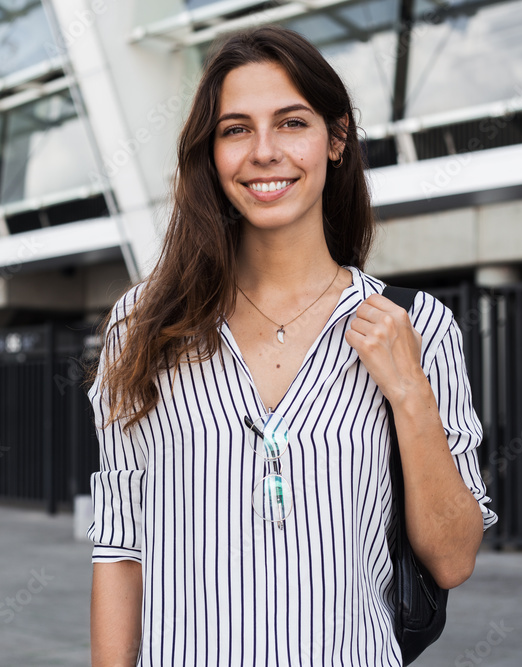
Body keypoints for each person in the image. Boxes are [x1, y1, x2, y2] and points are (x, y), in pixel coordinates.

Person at [84, 24, 497, 667]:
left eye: (291, 122)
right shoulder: (141, 327)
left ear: (335, 140)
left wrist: (410, 394)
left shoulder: (415, 327)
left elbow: (452, 558)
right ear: (211, 154)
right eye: (236, 129)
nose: (264, 151)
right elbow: (119, 547)